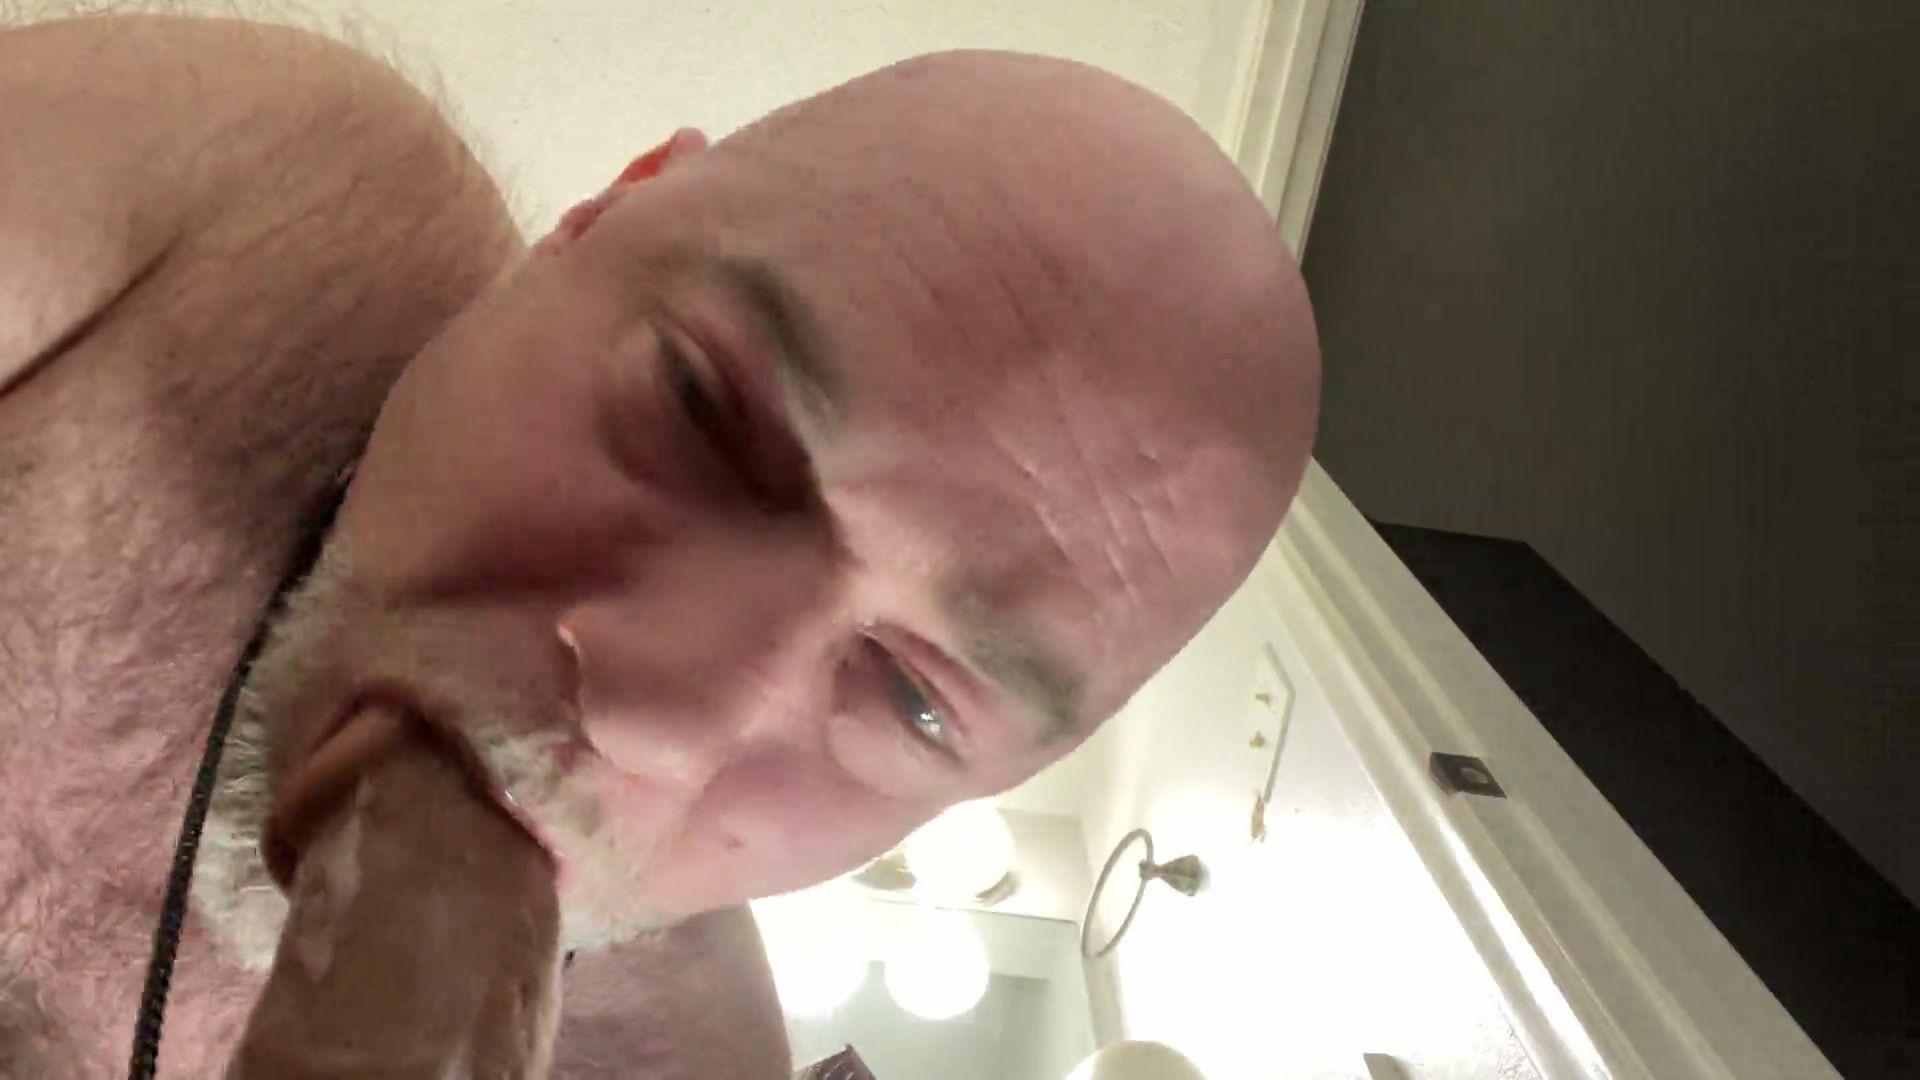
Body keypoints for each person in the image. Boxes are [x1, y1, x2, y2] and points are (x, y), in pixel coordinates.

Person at [0, 11, 1320, 1078]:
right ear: (608, 207)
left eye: (917, 700)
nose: (659, 725)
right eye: (707, 414)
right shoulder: (256, 219)